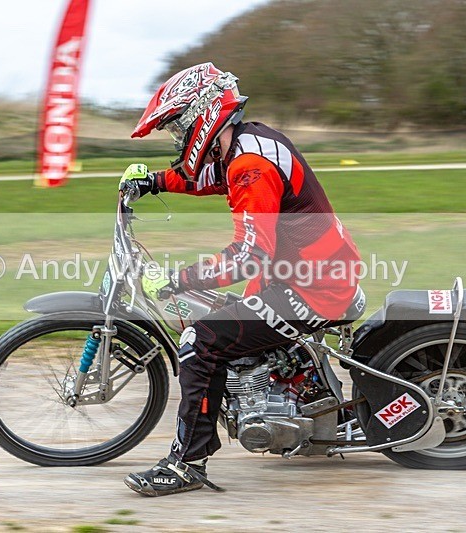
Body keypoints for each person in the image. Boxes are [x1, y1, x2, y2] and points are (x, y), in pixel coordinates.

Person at [120, 63, 364, 496]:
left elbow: (249, 256)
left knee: (200, 339)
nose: (179, 139)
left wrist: (177, 279)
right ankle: (301, 390)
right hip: (304, 271)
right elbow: (208, 177)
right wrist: (154, 181)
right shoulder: (246, 142)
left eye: (180, 128)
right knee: (224, 320)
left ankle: (187, 464)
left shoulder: (251, 166)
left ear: (204, 114)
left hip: (310, 284)